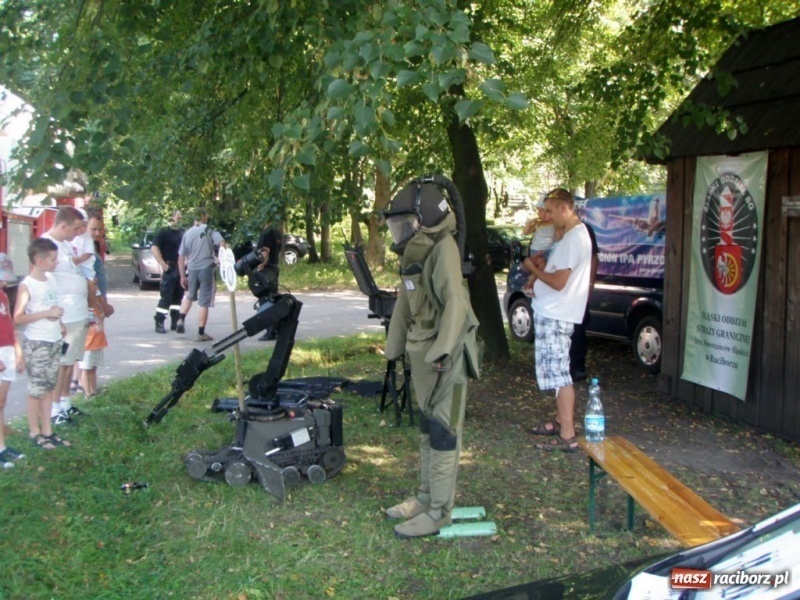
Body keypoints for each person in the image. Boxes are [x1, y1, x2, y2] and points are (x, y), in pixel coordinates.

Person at [383, 180, 481, 538]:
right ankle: (425, 498)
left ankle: (440, 512)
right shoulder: (416, 255)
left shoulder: (444, 250)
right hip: (423, 350)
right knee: (427, 426)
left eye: (405, 223)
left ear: (425, 219)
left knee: (443, 431)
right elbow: (406, 304)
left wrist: (442, 349)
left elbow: (456, 301)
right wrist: (394, 348)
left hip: (447, 356)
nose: (399, 232)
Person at [524, 188, 592, 453]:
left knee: (561, 375)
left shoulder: (574, 238)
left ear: (564, 208)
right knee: (556, 372)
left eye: (551, 210)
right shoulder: (572, 236)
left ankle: (567, 435)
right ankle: (560, 421)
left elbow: (560, 283)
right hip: (552, 311)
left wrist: (531, 269)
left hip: (556, 313)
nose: (548, 216)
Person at [13, 238, 71, 450]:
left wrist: (61, 322)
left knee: (48, 387)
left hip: (54, 339)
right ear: (39, 260)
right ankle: (34, 432)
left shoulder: (51, 280)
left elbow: (53, 305)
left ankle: (48, 430)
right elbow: (18, 317)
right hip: (37, 343)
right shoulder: (27, 285)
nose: (56, 263)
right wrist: (47, 314)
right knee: (36, 389)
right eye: (53, 259)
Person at [43, 206, 92, 424]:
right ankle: (54, 410)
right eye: (75, 228)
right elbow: (44, 283)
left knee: (70, 361)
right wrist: (57, 317)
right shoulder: (47, 246)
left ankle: (65, 403)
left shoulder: (65, 245)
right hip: (65, 313)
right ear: (63, 225)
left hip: (77, 312)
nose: (78, 233)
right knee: (61, 363)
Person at [77, 208, 115, 398]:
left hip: (97, 308)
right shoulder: (84, 251)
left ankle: (89, 386)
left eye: (101, 229)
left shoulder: (93, 249)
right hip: (92, 309)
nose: (98, 233)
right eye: (93, 229)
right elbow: (90, 283)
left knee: (93, 355)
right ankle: (85, 389)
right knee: (87, 353)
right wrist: (102, 305)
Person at [175, 207, 224, 342]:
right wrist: (220, 258)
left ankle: (180, 319)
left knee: (190, 295)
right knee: (204, 301)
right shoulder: (209, 229)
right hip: (206, 268)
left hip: (192, 269)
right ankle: (201, 333)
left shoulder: (188, 233)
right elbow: (222, 243)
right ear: (204, 217)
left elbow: (181, 257)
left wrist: (182, 276)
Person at [0, 255, 25, 465]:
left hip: (7, 350)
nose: (5, 282)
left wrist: (18, 352)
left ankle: (2, 448)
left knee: (1, 402)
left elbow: (9, 325)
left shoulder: (3, 296)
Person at [569, 221, 599, 381]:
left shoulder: (585, 229)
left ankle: (578, 367)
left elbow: (594, 257)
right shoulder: (549, 230)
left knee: (578, 328)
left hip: (578, 288)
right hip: (559, 289)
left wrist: (590, 284)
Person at [151, 209, 185, 334]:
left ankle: (175, 321)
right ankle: (159, 321)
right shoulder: (164, 232)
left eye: (181, 218)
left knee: (178, 296)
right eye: (178, 218)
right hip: (170, 267)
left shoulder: (183, 232)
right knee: (166, 296)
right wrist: (163, 265)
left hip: (180, 268)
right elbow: (154, 248)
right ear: (171, 218)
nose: (180, 220)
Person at [255, 221, 283, 341]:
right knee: (273, 298)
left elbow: (265, 251)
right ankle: (277, 328)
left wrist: (260, 266)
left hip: (266, 269)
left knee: (265, 300)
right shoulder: (276, 232)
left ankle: (271, 331)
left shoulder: (267, 232)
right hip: (274, 267)